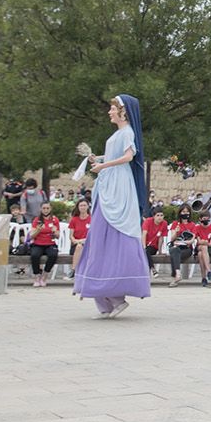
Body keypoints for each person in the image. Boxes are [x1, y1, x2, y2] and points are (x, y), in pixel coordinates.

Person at [73, 95, 154, 318]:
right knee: (100, 237)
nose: (109, 112)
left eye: (112, 108)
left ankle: (112, 297)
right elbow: (117, 154)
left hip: (118, 184)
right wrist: (97, 158)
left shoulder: (127, 132)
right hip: (110, 182)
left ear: (123, 111)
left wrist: (104, 165)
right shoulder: (119, 133)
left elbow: (128, 156)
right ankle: (107, 300)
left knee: (107, 234)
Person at [28, 202, 61, 286]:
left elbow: (57, 236)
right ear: (40, 209)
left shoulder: (54, 220)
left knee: (53, 255)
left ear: (50, 209)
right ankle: (37, 276)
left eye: (47, 208)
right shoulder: (37, 220)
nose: (46, 210)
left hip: (50, 243)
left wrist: (55, 231)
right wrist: (38, 230)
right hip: (38, 243)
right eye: (44, 208)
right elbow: (31, 236)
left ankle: (45, 275)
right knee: (35, 255)